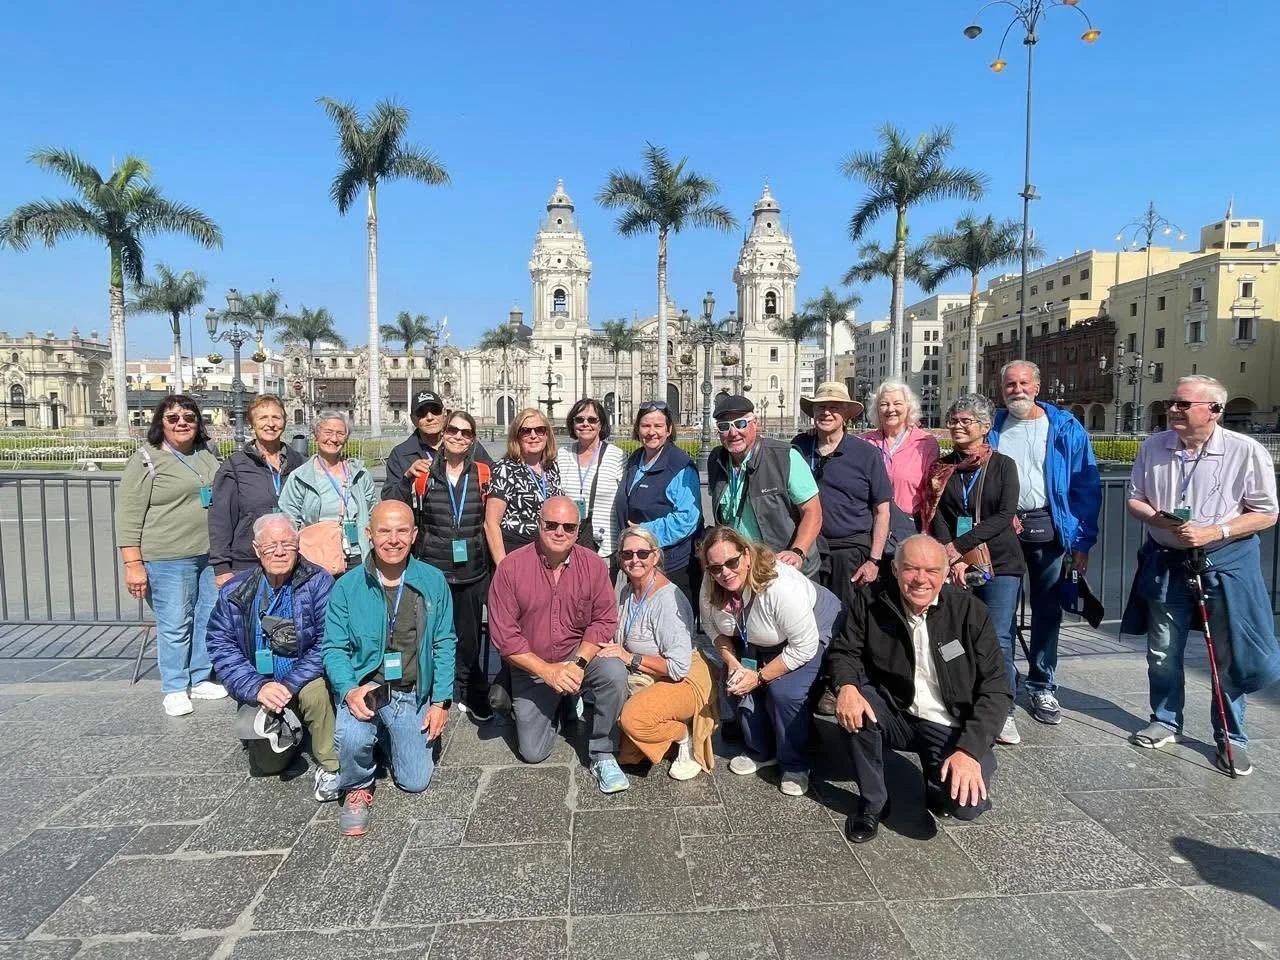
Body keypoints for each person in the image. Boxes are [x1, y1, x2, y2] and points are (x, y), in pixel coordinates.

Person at [1122, 375, 1280, 776]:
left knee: (1226, 654)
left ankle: (1231, 737)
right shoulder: (1153, 446)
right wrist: (1161, 519)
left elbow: (1266, 513)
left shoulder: (1246, 451)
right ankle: (1164, 721)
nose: (1173, 409)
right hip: (1166, 560)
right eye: (1171, 402)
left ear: (1215, 411)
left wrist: (1215, 532)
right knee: (1162, 651)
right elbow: (1135, 499)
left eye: (1183, 404)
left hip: (1224, 562)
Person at [827, 535, 1009, 842]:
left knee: (966, 806)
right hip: (896, 708)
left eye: (932, 571)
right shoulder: (871, 601)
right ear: (895, 570)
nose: (921, 579)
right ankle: (873, 802)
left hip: (949, 721)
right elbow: (845, 651)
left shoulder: (970, 611)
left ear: (946, 572)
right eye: (911, 569)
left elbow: (996, 688)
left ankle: (936, 775)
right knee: (857, 709)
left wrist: (969, 750)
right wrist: (846, 686)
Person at [323, 500, 457, 837]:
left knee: (415, 781)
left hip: (411, 691)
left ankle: (388, 736)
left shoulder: (432, 581)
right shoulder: (347, 587)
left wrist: (441, 702)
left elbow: (444, 642)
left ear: (414, 535)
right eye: (384, 531)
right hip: (367, 689)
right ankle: (357, 785)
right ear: (369, 534)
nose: (393, 540)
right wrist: (349, 690)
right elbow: (334, 649)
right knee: (351, 738)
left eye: (401, 531)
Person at [987, 361, 1101, 727]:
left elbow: (1085, 485)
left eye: (1024, 383)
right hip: (1001, 531)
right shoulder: (992, 426)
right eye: (1010, 384)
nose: (1017, 390)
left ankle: (1042, 684)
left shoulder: (1064, 427)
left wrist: (1082, 541)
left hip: (1050, 529)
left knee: (1047, 612)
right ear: (1001, 389)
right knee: (998, 616)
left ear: (1037, 387)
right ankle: (1003, 689)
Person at [487, 496, 627, 793]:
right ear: (538, 525)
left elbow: (604, 620)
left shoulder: (593, 564)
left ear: (578, 530)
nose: (559, 532)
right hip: (533, 664)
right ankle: (556, 700)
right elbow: (505, 637)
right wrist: (548, 672)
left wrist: (577, 664)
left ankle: (602, 751)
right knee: (533, 753)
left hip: (578, 656)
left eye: (568, 527)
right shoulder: (511, 568)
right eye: (551, 524)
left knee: (614, 673)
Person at [701, 526, 841, 796]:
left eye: (732, 562)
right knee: (734, 682)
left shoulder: (780, 587)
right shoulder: (711, 582)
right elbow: (712, 629)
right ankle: (760, 750)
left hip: (809, 628)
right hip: (757, 633)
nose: (725, 572)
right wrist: (734, 663)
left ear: (747, 555)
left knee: (785, 692)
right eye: (716, 568)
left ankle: (795, 763)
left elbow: (803, 646)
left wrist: (760, 676)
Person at [206, 514, 338, 800]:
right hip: (261, 684)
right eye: (270, 546)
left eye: (287, 544)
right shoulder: (236, 590)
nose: (279, 552)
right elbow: (220, 644)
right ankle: (292, 728)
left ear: (298, 546)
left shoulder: (318, 582)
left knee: (316, 692)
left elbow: (327, 641)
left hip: (303, 678)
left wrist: (289, 684)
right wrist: (257, 687)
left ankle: (330, 764)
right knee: (267, 766)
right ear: (257, 549)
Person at [116, 395, 228, 716]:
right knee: (176, 623)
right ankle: (175, 686)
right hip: (167, 556)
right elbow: (128, 515)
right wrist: (133, 564)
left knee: (208, 617)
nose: (182, 423)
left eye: (189, 417)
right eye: (173, 418)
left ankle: (199, 676)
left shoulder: (206, 454)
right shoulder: (146, 459)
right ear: (160, 423)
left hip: (210, 554)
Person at [922, 394, 1024, 746]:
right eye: (953, 420)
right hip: (955, 564)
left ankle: (1003, 709)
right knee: (955, 635)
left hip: (1000, 563)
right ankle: (961, 700)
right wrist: (952, 556)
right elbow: (936, 514)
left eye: (966, 421)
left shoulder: (1003, 465)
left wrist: (960, 546)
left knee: (998, 637)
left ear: (985, 427)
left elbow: (1004, 515)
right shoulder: (941, 467)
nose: (957, 426)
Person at [392, 409, 494, 720]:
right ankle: (436, 688)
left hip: (472, 570)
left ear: (472, 439)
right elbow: (395, 504)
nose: (458, 437)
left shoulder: (484, 473)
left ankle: (468, 687)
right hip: (433, 569)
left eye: (466, 433)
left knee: (469, 636)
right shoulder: (423, 473)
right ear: (443, 433)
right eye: (453, 430)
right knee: (431, 632)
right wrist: (406, 478)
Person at [609, 527, 717, 780]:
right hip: (648, 673)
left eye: (642, 553)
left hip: (684, 678)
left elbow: (678, 668)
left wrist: (630, 658)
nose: (634, 560)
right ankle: (662, 728)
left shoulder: (667, 600)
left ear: (655, 556)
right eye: (627, 554)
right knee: (628, 756)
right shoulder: (627, 591)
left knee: (634, 720)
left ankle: (684, 735)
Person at [791, 381, 893, 592]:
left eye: (834, 407)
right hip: (807, 549)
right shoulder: (799, 446)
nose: (826, 412)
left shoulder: (867, 454)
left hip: (849, 553)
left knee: (844, 612)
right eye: (820, 407)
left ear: (846, 414)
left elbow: (882, 511)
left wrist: (874, 561)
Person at [707, 395, 822, 579]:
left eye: (740, 424)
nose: (733, 432)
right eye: (724, 426)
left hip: (785, 569)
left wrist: (797, 552)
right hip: (741, 570)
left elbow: (812, 512)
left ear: (755, 424)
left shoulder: (784, 457)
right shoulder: (716, 460)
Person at [614, 400, 703, 611]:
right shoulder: (636, 459)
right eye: (645, 425)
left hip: (671, 565)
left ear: (669, 430)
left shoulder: (679, 465)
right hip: (639, 561)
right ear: (637, 429)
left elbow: (688, 518)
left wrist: (643, 533)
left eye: (658, 426)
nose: (651, 432)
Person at [209, 394, 304, 588]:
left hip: (291, 560)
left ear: (284, 422)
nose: (271, 424)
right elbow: (220, 519)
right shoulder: (235, 466)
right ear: (251, 424)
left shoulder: (300, 463)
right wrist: (221, 567)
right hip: (248, 563)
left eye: (276, 417)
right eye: (263, 418)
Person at [278, 412, 377, 570]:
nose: (334, 439)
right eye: (328, 432)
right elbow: (289, 521)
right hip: (317, 556)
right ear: (316, 436)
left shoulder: (360, 474)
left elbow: (373, 512)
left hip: (357, 555)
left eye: (340, 433)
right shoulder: (301, 477)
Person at [382, 389, 491, 501]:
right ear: (413, 419)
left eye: (435, 410)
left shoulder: (467, 445)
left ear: (444, 413)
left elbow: (495, 479)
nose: (430, 417)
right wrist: (407, 478)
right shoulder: (401, 454)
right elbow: (389, 499)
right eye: (421, 413)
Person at [556, 398, 627, 569]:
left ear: (601, 424)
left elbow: (626, 501)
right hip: (567, 545)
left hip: (605, 547)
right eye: (579, 419)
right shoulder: (562, 454)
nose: (585, 424)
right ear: (572, 423)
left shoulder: (617, 456)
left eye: (592, 419)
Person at [484, 408, 562, 564]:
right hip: (516, 552)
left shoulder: (551, 468)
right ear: (516, 436)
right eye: (526, 431)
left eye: (540, 430)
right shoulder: (505, 469)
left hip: (547, 551)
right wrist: (503, 566)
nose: (533, 435)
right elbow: (491, 524)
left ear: (547, 435)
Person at [860, 379, 941, 528]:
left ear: (909, 407)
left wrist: (926, 532)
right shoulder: (864, 442)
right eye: (884, 404)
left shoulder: (925, 443)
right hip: (869, 522)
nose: (890, 409)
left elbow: (932, 494)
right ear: (876, 409)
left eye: (897, 403)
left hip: (908, 525)